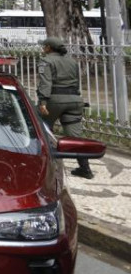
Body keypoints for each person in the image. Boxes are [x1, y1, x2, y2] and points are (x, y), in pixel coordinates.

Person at [37, 37, 95, 179]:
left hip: (55, 100)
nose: (43, 48)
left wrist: (43, 102)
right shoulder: (72, 61)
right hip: (74, 100)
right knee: (75, 137)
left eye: (44, 46)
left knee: (42, 129)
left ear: (49, 48)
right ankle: (85, 168)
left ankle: (46, 166)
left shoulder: (47, 61)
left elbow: (46, 83)